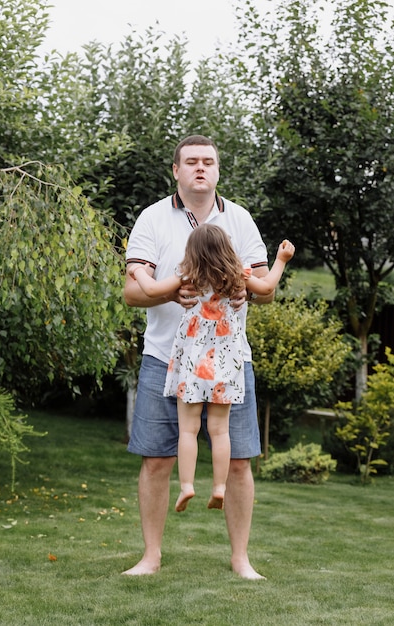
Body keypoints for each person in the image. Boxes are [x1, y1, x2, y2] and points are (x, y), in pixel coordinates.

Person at [123, 134, 277, 580]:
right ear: (176, 170)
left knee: (242, 461)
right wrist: (175, 286)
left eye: (208, 161)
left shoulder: (241, 220)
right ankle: (151, 557)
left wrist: (232, 284)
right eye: (190, 161)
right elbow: (134, 292)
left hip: (229, 360)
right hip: (163, 357)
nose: (200, 168)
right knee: (156, 460)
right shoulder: (153, 218)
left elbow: (265, 291)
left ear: (217, 170)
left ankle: (240, 559)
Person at [128, 224, 294, 514]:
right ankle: (219, 487)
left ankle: (187, 485)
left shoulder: (188, 275)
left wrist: (139, 272)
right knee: (220, 431)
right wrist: (281, 260)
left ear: (192, 252)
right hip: (226, 363)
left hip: (193, 364)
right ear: (228, 250)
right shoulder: (239, 276)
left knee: (188, 431)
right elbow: (267, 287)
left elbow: (152, 289)